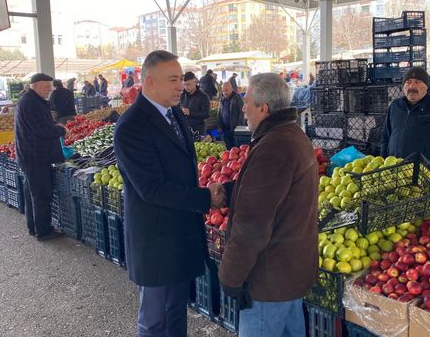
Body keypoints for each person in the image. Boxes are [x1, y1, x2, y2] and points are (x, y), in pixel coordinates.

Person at [113, 50, 225, 337]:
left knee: (175, 312)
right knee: (155, 320)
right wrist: (204, 199)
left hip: (179, 236)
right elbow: (151, 188)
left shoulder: (173, 113)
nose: (181, 85)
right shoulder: (131, 126)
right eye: (173, 79)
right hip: (157, 242)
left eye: (180, 78)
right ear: (150, 83)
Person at [218, 73, 318, 336]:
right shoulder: (293, 135)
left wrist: (231, 277)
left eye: (247, 101)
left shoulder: (273, 147)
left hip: (268, 282)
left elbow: (251, 225)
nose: (243, 107)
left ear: (263, 108)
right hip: (290, 275)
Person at [14, 73, 69, 241]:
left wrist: (54, 125)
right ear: (35, 85)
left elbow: (40, 126)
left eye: (50, 87)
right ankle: (44, 231)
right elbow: (43, 131)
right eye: (46, 87)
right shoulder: (31, 103)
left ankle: (34, 227)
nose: (49, 90)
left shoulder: (29, 100)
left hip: (30, 154)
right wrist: (62, 130)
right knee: (41, 195)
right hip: (36, 156)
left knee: (32, 193)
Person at [380, 66, 430, 173]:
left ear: (427, 86)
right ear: (403, 86)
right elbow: (385, 137)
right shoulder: (395, 106)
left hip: (423, 172)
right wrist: (383, 164)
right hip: (393, 170)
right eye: (408, 82)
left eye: (418, 82)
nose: (412, 86)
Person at [179, 71, 210, 135]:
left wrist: (190, 112)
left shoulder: (203, 96)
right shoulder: (182, 95)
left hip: (199, 129)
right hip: (185, 128)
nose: (186, 87)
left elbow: (206, 114)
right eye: (184, 84)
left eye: (188, 84)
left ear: (195, 82)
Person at [218, 81, 244, 149]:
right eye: (223, 91)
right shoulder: (222, 98)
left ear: (231, 89)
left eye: (226, 90)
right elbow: (220, 113)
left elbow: (242, 112)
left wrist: (239, 128)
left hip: (235, 129)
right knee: (229, 148)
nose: (225, 92)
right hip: (225, 129)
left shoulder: (237, 97)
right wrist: (220, 126)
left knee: (236, 149)